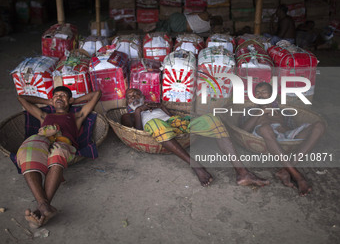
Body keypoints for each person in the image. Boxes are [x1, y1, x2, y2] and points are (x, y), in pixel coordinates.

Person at [121, 88, 269, 187]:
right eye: (130, 97)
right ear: (127, 102)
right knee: (155, 124)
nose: (133, 98)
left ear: (142, 96)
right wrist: (139, 111)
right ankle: (197, 165)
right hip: (156, 128)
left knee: (212, 119)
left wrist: (161, 107)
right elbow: (137, 133)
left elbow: (173, 119)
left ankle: (242, 172)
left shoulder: (154, 106)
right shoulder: (128, 115)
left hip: (174, 125)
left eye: (136, 95)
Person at [16, 86, 102, 228]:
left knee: (58, 153)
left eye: (63, 96)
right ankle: (44, 208)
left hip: (62, 143)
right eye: (56, 96)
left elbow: (97, 93)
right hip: (41, 141)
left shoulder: (76, 116)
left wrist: (74, 100)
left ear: (69, 100)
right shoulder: (44, 116)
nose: (59, 98)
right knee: (27, 151)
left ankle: (41, 207)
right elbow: (21, 98)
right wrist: (49, 101)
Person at [240, 82, 325, 196]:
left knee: (319, 126)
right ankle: (298, 176)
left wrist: (282, 127)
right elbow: (242, 130)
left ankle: (285, 170)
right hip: (262, 135)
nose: (260, 95)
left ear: (272, 95)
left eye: (264, 92)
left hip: (285, 137)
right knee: (266, 128)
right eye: (258, 93)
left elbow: (291, 129)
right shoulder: (250, 110)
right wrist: (260, 113)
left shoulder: (284, 112)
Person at [142, 12, 211, 34]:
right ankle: (155, 28)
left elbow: (192, 13)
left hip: (179, 18)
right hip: (179, 28)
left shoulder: (205, 15)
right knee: (166, 27)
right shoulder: (208, 29)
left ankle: (155, 25)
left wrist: (186, 15)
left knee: (166, 22)